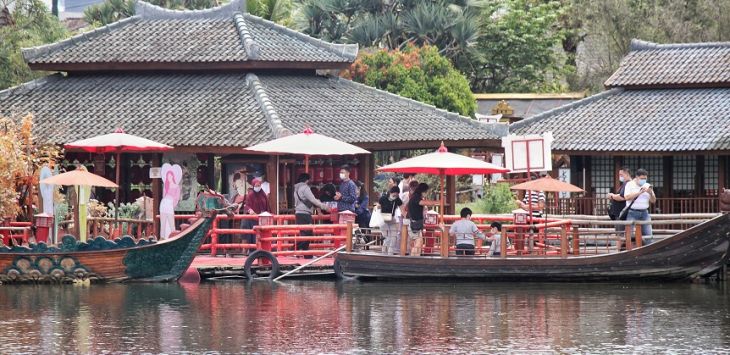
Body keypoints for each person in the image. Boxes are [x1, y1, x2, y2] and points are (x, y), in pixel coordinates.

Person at [294, 173, 329, 258]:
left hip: (298, 213)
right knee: (307, 234)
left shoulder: (296, 188)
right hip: (305, 213)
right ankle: (294, 250)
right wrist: (324, 207)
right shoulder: (305, 188)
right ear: (307, 180)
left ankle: (307, 255)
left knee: (305, 234)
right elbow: (313, 200)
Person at [623, 168, 656, 244]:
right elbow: (627, 197)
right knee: (629, 235)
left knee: (648, 235)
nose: (643, 180)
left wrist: (650, 193)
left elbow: (653, 201)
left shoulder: (647, 185)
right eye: (642, 178)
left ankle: (649, 252)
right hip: (632, 212)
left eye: (645, 178)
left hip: (645, 212)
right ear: (637, 177)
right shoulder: (630, 184)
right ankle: (627, 252)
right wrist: (639, 192)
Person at [407, 183, 439, 256]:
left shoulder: (415, 197)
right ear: (423, 191)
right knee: (419, 242)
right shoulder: (416, 198)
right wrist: (438, 202)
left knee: (418, 242)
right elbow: (424, 203)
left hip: (415, 223)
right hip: (414, 223)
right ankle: (413, 258)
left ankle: (415, 257)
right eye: (426, 192)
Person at [241, 178, 270, 249]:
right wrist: (250, 210)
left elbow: (267, 206)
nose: (258, 187)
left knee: (261, 235)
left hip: (261, 218)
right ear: (253, 186)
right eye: (256, 186)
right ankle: (249, 250)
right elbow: (247, 205)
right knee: (250, 235)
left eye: (259, 185)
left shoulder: (263, 195)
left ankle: (260, 249)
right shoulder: (250, 195)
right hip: (252, 219)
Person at [378, 186, 403, 254]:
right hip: (383, 220)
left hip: (392, 219)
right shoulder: (383, 198)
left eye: (397, 195)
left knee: (394, 236)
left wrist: (404, 215)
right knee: (387, 237)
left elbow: (402, 208)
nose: (395, 196)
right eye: (395, 194)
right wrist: (377, 207)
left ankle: (390, 252)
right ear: (391, 192)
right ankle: (384, 251)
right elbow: (378, 205)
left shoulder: (397, 200)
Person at [608, 167, 631, 232]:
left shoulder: (628, 184)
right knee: (619, 231)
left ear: (627, 174)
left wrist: (612, 196)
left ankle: (621, 242)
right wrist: (614, 195)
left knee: (620, 232)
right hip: (619, 212)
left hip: (622, 212)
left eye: (621, 175)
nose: (620, 177)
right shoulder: (625, 184)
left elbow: (622, 197)